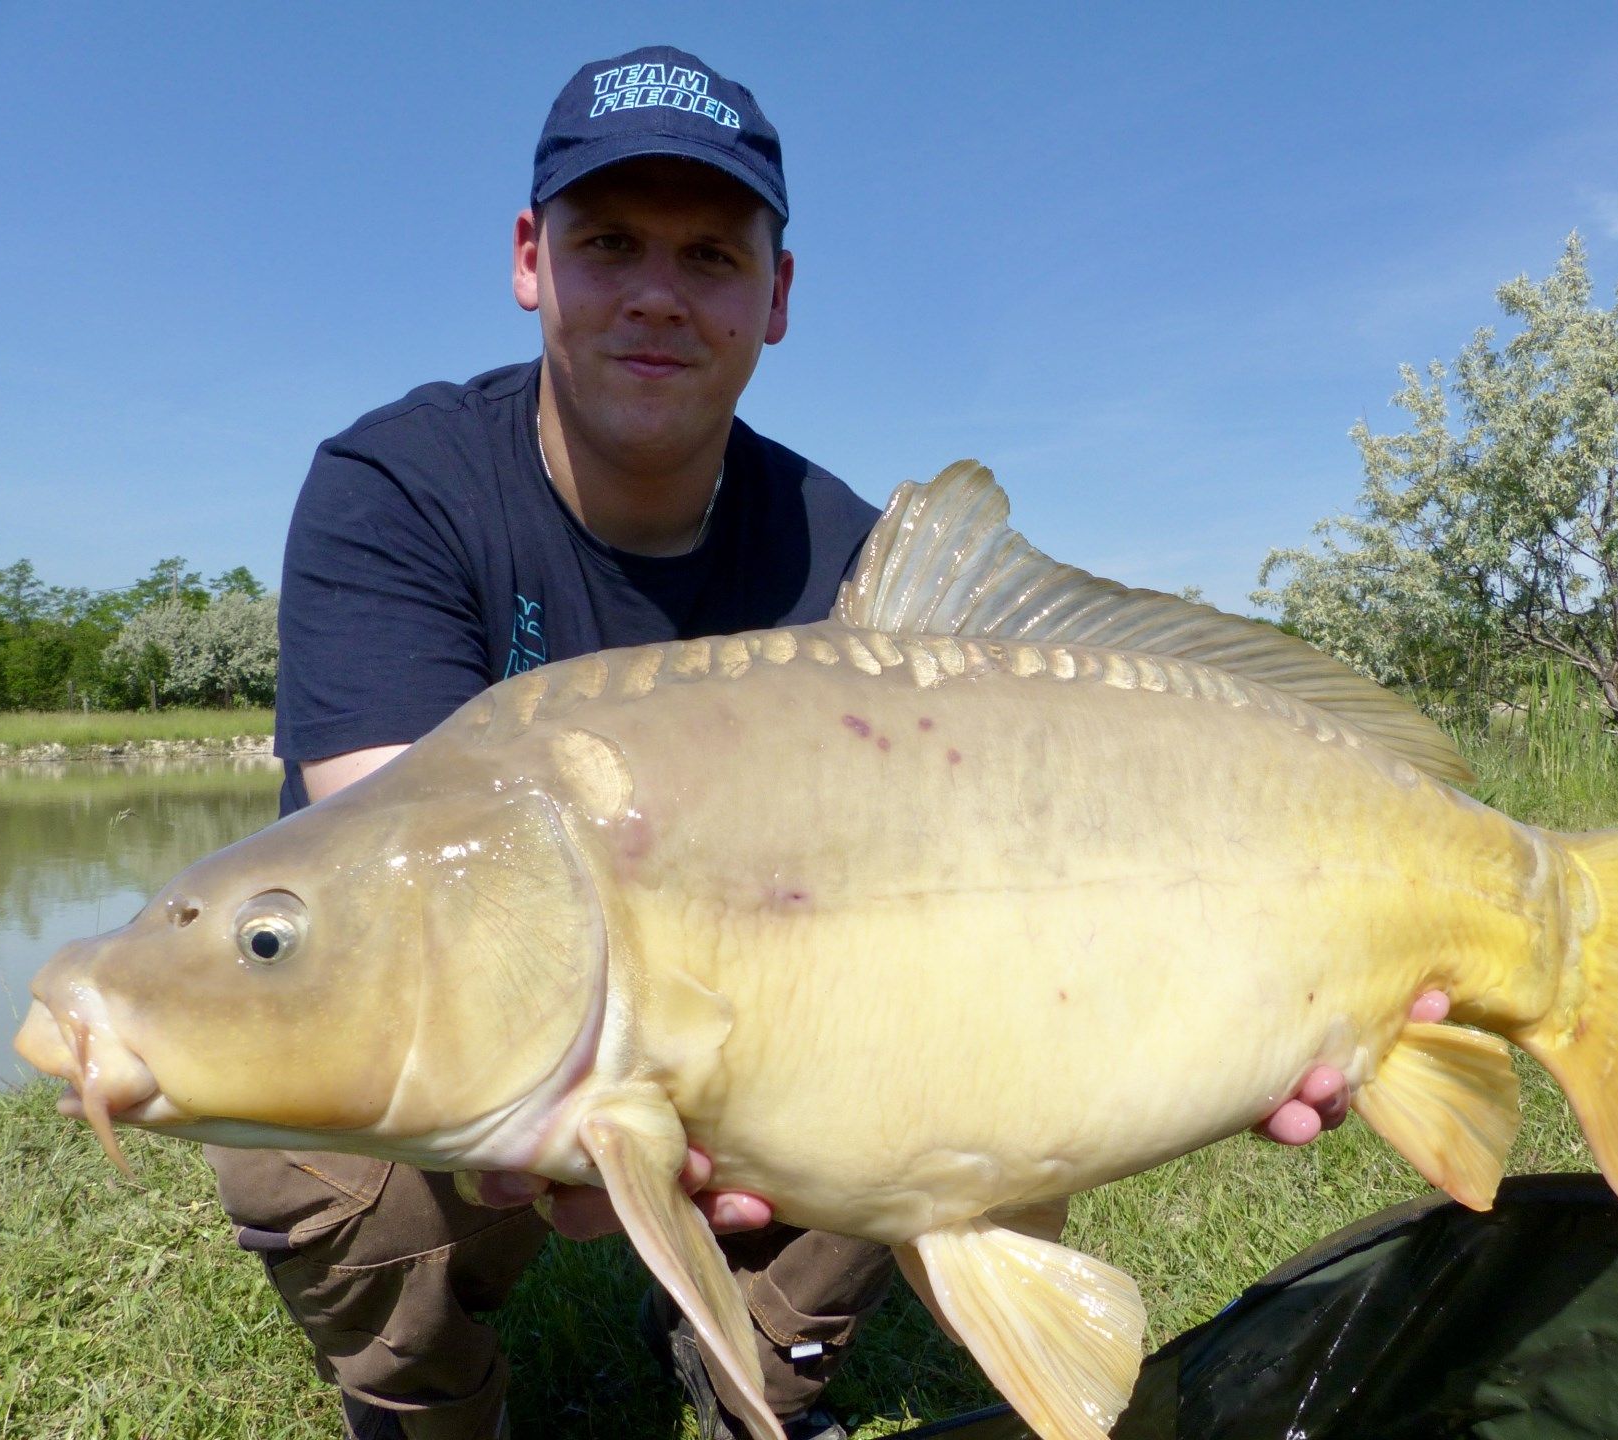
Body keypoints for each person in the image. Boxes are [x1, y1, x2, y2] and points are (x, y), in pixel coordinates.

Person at [207, 43, 1448, 1440]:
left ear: (776, 294)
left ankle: (765, 1360)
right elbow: (402, 922)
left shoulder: (846, 558)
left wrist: (1235, 1008)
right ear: (529, 258)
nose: (659, 296)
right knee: (300, 1113)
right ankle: (428, 1401)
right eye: (610, 243)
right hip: (580, 1022)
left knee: (921, 997)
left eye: (712, 256)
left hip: (754, 1048)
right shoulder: (400, 488)